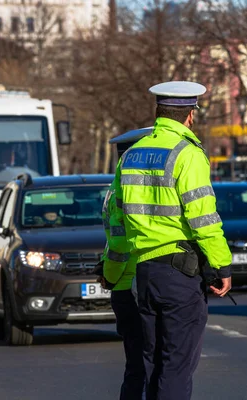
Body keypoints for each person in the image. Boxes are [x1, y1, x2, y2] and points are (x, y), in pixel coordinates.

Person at [107, 81, 233, 400]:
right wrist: (222, 264)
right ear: (190, 115)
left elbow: (117, 223)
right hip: (179, 275)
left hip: (143, 274)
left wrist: (111, 271)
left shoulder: (131, 156)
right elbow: (203, 219)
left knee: (150, 364)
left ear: (159, 112)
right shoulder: (187, 155)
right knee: (176, 366)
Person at [98, 127, 153, 400]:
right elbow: (119, 245)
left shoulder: (113, 189)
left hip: (122, 285)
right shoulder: (134, 189)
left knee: (135, 363)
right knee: (149, 364)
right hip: (138, 282)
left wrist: (109, 276)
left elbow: (113, 243)